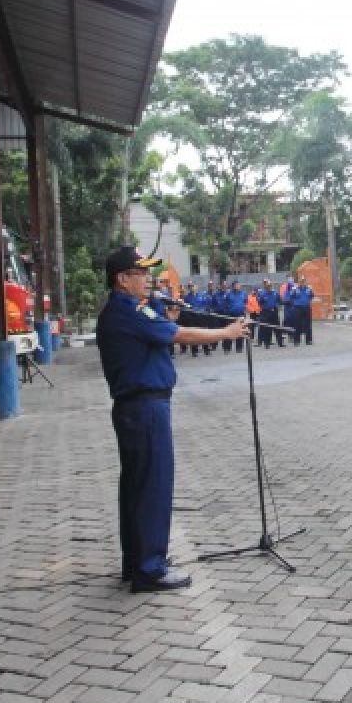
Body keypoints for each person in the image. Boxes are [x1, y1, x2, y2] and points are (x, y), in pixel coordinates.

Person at [97, 247, 248, 591]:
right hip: (144, 408)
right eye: (141, 272)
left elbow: (158, 336)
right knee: (152, 487)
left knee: (138, 487)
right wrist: (227, 332)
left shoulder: (132, 310)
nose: (149, 278)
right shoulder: (129, 310)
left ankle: (136, 562)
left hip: (137, 407)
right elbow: (177, 337)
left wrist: (171, 317)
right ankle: (149, 569)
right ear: (122, 279)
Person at [256, 278, 284, 348]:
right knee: (267, 328)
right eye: (268, 286)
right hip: (266, 312)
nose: (269, 287)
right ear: (265, 286)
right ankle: (267, 344)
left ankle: (280, 343)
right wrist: (265, 307)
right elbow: (259, 303)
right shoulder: (262, 294)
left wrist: (277, 305)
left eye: (270, 285)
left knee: (277, 328)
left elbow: (280, 300)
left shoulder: (275, 293)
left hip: (274, 312)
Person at [289, 275, 315, 345]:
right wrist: (295, 303)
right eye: (301, 281)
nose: (302, 283)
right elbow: (291, 297)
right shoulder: (295, 289)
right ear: (299, 282)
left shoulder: (308, 289)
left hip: (306, 307)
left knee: (308, 324)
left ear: (305, 282)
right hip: (298, 308)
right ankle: (297, 341)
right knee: (297, 324)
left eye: (303, 281)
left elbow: (312, 296)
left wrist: (307, 301)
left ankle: (308, 340)